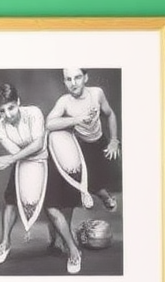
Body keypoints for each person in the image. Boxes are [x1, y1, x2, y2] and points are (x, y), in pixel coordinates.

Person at [0, 82, 82, 274]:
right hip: (24, 163)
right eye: (1, 111)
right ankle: (5, 243)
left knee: (52, 208)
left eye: (11, 107)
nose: (8, 114)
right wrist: (19, 156)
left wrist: (11, 159)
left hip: (46, 160)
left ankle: (74, 250)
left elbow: (39, 145)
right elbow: (23, 153)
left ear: (18, 102)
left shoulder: (34, 113)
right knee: (10, 202)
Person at [45, 68, 121, 210]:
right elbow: (49, 123)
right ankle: (105, 197)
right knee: (89, 181)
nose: (73, 83)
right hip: (82, 147)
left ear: (85, 78)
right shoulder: (64, 102)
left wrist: (114, 140)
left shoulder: (97, 93)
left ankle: (106, 195)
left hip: (102, 142)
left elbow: (110, 114)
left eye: (77, 77)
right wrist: (76, 119)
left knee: (114, 173)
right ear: (64, 82)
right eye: (69, 79)